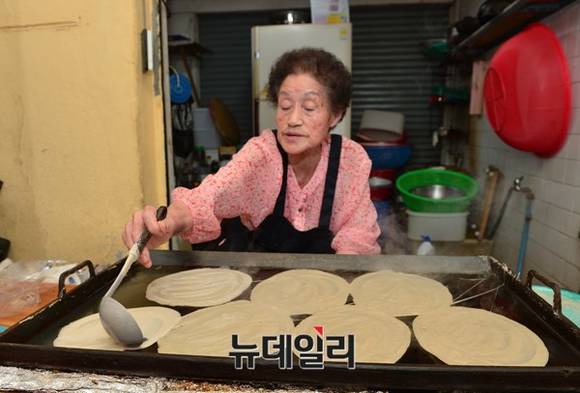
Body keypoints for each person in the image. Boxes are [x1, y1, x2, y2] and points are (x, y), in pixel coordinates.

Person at [123, 48, 381, 267]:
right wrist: (169, 221)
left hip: (327, 285)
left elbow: (357, 235)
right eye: (285, 106)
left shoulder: (350, 161)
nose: (292, 120)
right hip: (260, 286)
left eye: (309, 107)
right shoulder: (262, 154)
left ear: (335, 116)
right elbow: (210, 195)